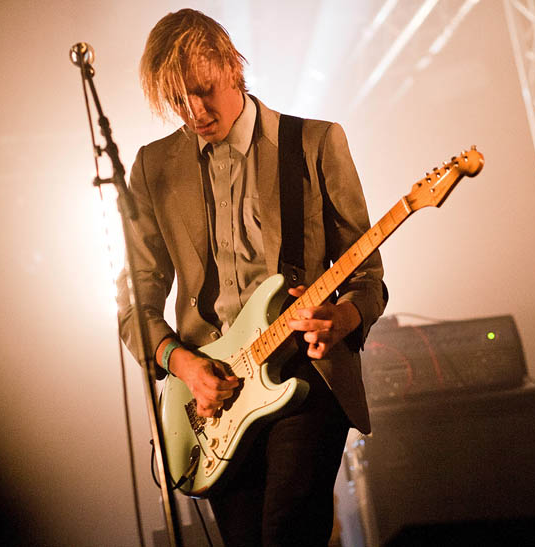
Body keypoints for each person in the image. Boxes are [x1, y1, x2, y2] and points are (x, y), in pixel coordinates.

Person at [116, 9, 387, 546]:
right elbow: (135, 303)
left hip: (305, 375)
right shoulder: (153, 167)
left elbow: (368, 273)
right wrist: (182, 363)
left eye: (203, 89)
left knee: (287, 531)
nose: (194, 110)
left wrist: (345, 315)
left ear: (231, 65)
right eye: (178, 100)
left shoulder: (314, 143)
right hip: (213, 402)